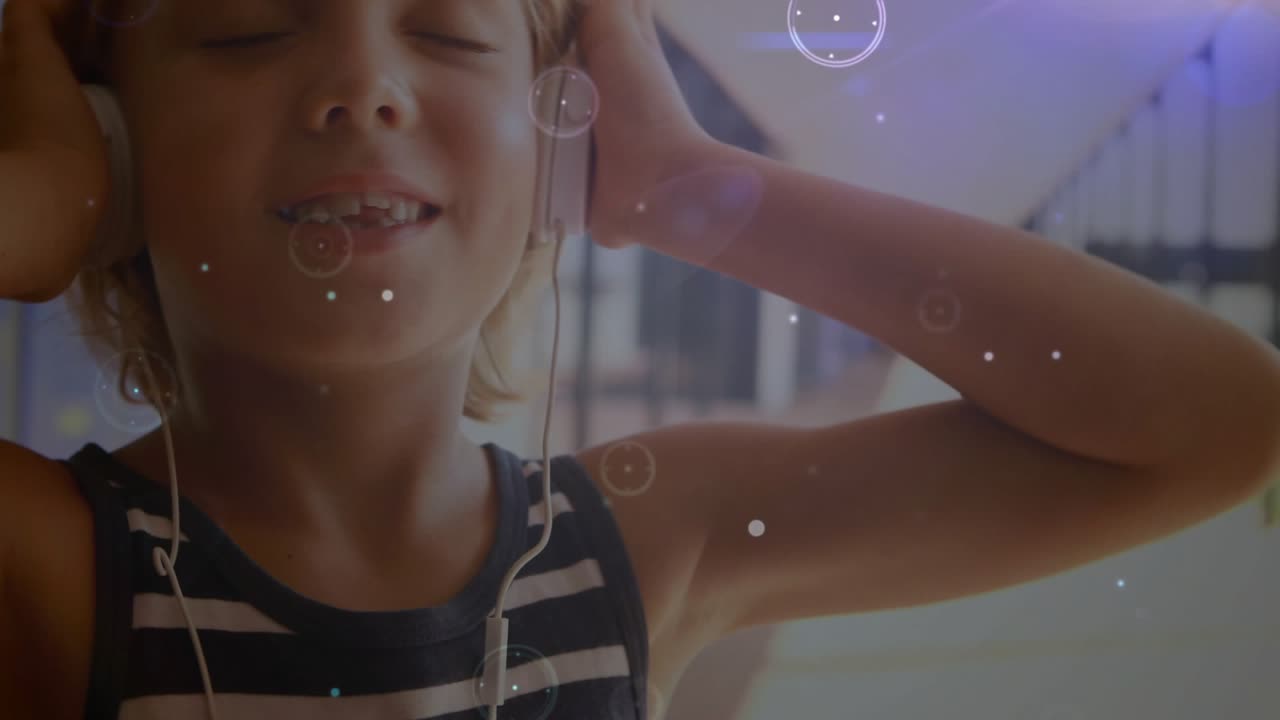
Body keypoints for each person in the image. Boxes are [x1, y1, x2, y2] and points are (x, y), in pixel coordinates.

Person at [3, 1, 1279, 719]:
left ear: (561, 145)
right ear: (116, 137)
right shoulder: (45, 572)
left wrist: (687, 190)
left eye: (445, 29)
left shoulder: (646, 550)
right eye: (244, 25)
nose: (361, 82)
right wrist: (38, 197)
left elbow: (1215, 423)